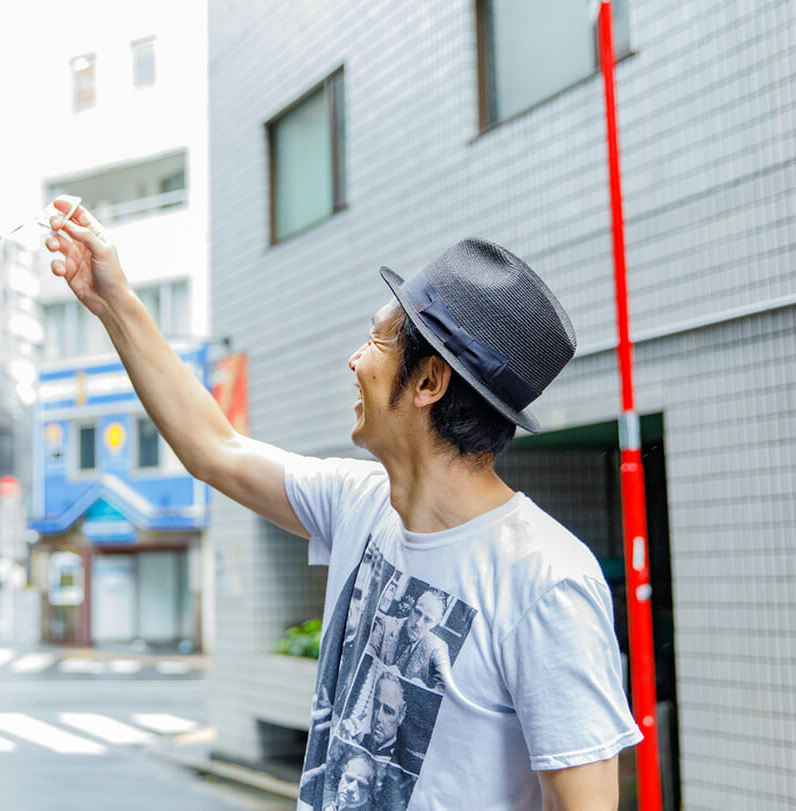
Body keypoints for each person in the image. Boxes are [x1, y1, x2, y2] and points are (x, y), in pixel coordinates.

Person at [45, 201, 641, 809]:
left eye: (378, 339)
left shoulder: (547, 582)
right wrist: (111, 298)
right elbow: (214, 449)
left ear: (429, 383)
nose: (355, 361)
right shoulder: (360, 504)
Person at [370, 589, 450, 691]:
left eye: (427, 620)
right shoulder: (386, 625)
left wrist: (421, 690)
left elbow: (443, 688)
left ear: (435, 623)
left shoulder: (437, 648)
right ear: (412, 608)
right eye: (417, 612)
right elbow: (367, 656)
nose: (418, 623)